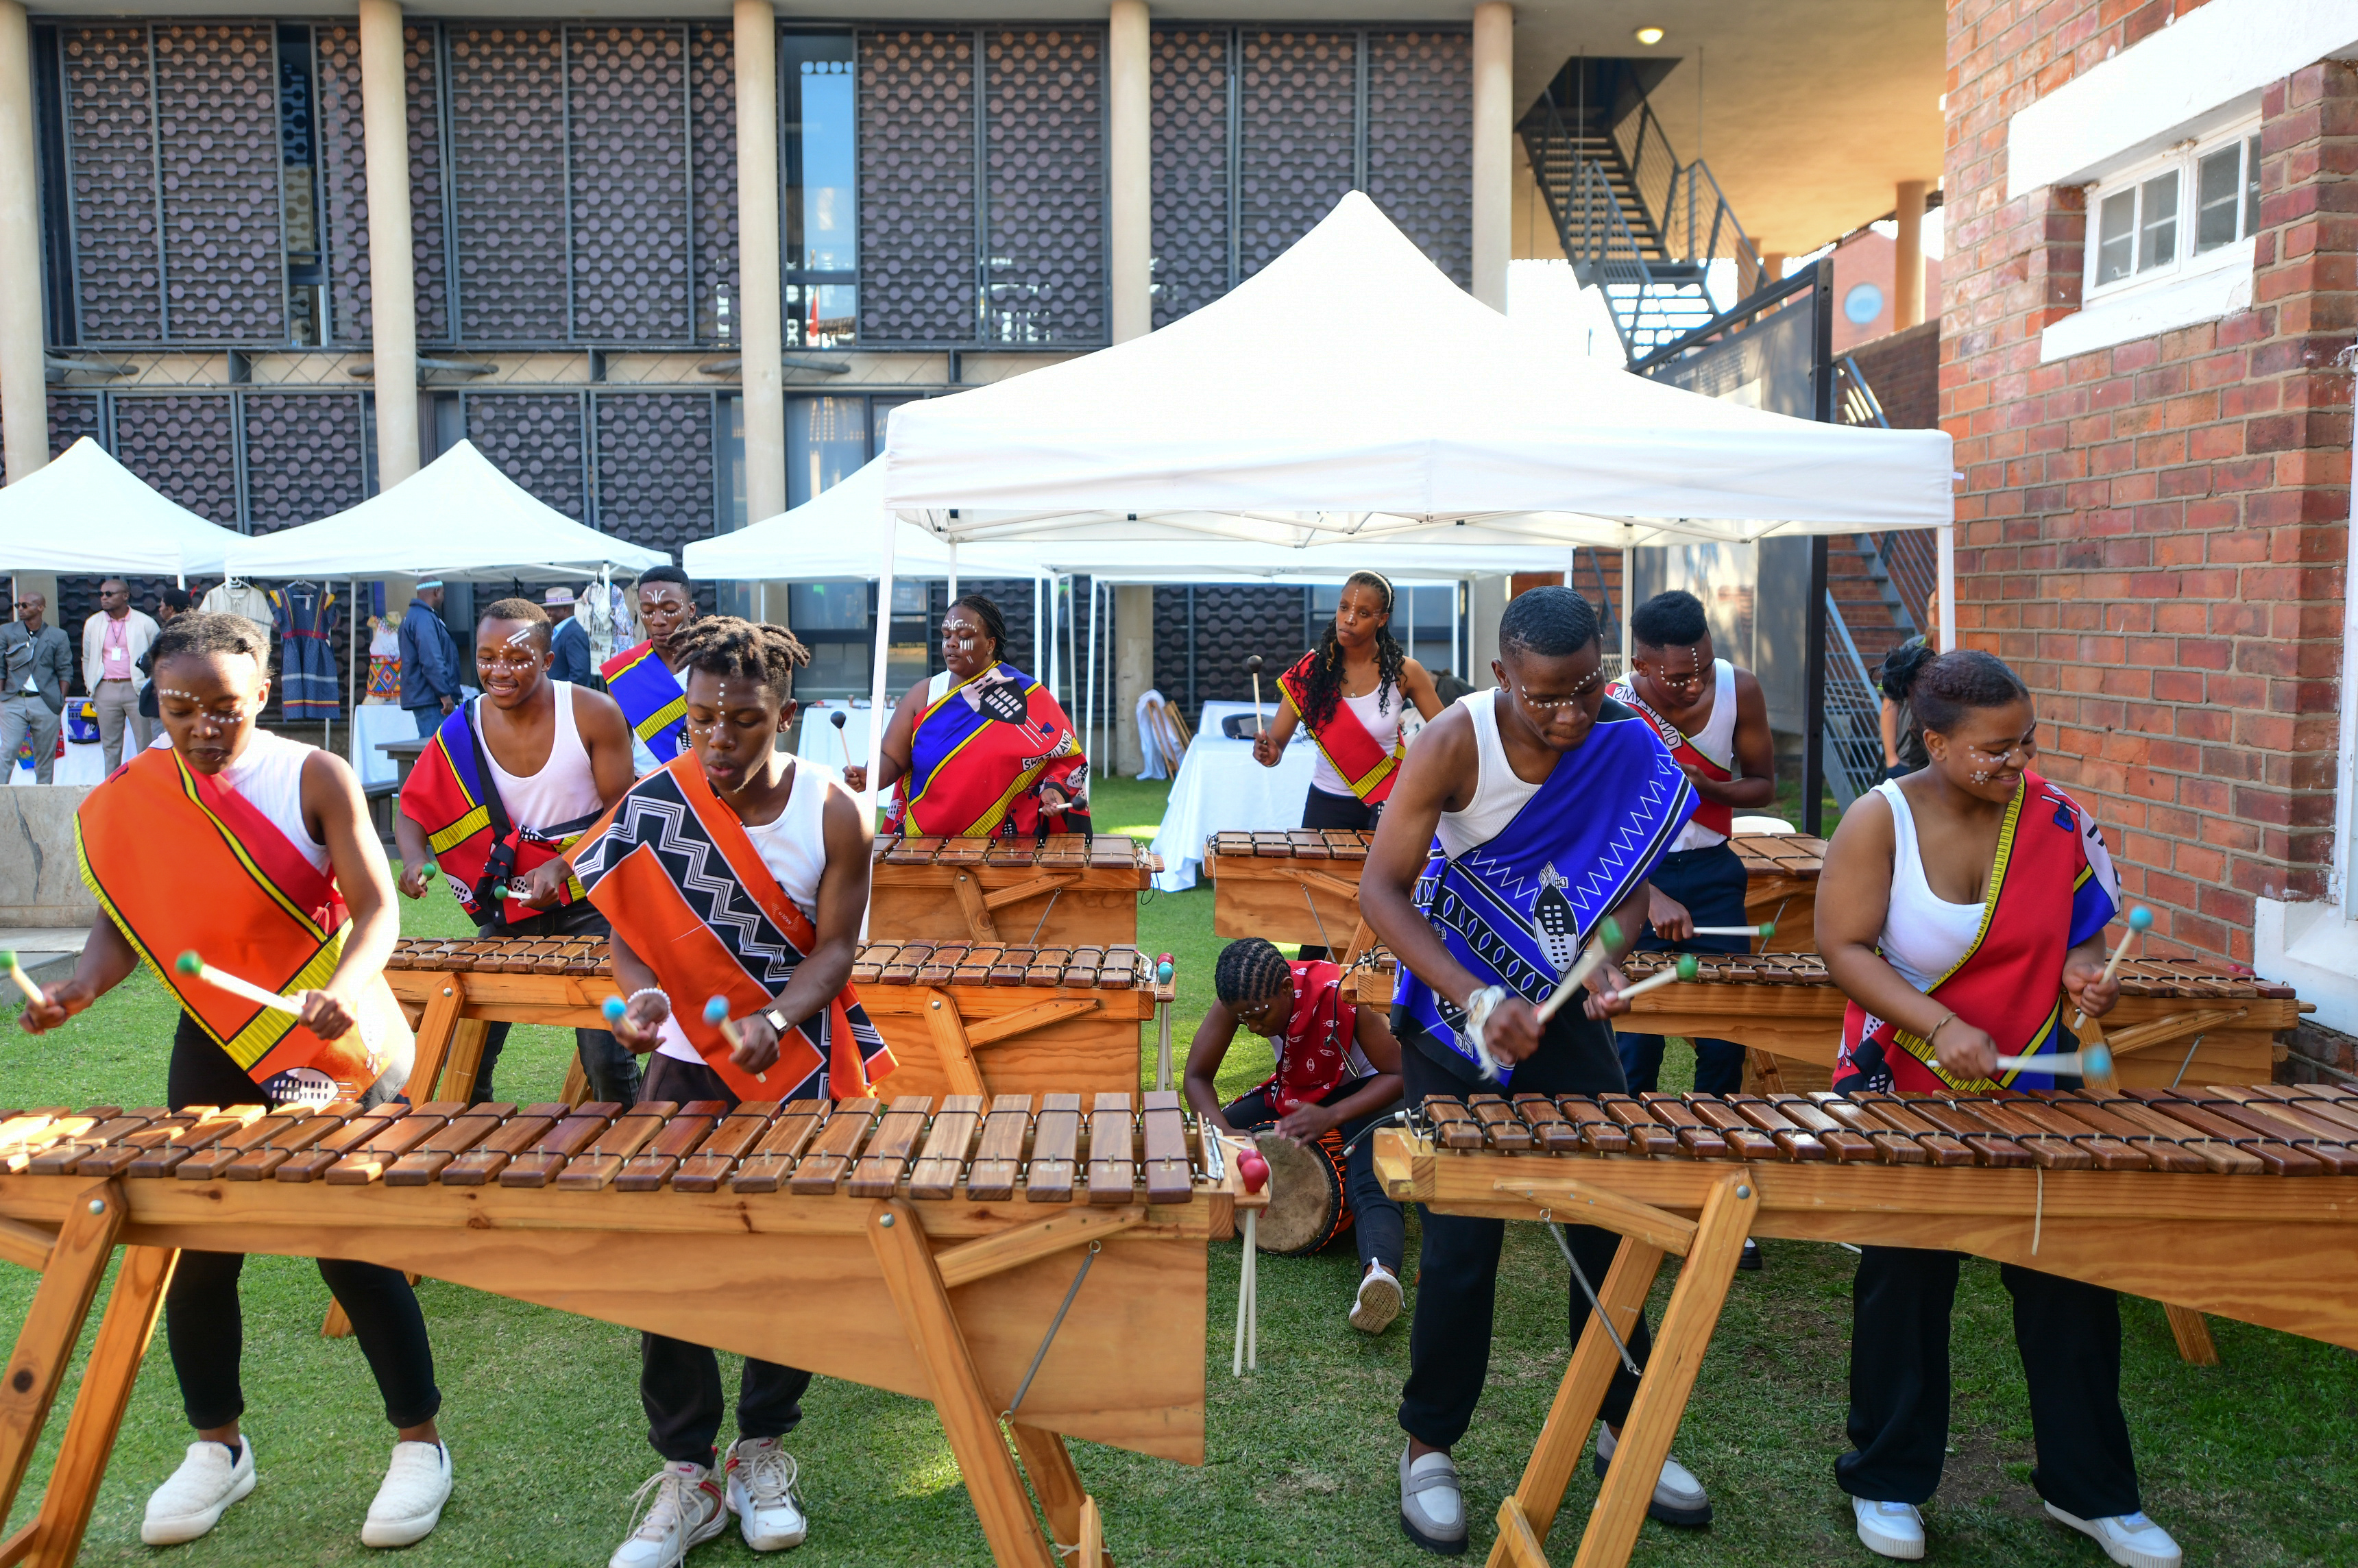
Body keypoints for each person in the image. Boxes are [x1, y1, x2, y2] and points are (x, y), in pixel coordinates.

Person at [17, 612, 452, 1549]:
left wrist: (340, 989)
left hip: (331, 1039)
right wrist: (77, 992)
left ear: (262, 694)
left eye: (225, 708)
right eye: (182, 709)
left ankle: (420, 1444)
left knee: (346, 1238)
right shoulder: (135, 795)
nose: (204, 727)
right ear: (156, 701)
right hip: (216, 1040)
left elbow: (376, 913)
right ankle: (218, 1447)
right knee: (197, 1247)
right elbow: (117, 928)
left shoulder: (315, 775)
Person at [1358, 587, 1712, 1554]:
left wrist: (1603, 958)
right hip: (1455, 1013)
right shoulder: (1452, 742)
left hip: (1558, 1014)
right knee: (1465, 1244)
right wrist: (1477, 998)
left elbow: (1629, 889)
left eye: (1588, 689)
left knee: (1609, 1221)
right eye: (1547, 697)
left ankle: (1618, 1426)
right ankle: (1429, 1445)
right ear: (1502, 675)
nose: (1572, 715)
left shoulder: (1626, 741)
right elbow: (1383, 890)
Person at [1817, 649, 2178, 1568]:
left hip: (2031, 1085)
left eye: (2026, 743)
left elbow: (2081, 936)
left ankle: (2090, 1491)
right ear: (1934, 741)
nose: (2017, 763)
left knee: (2069, 1282)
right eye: (1994, 749)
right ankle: (1889, 1478)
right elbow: (1845, 947)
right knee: (1905, 1282)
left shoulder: (2057, 818)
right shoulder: (1880, 819)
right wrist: (1938, 1025)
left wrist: (2086, 978)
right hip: (1905, 1080)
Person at [568, 615, 894, 1567]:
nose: (717, 739)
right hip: (682, 1063)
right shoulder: (653, 805)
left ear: (783, 715)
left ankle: (761, 1449)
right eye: (701, 719)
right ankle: (686, 1473)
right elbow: (625, 926)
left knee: (786, 1254)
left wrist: (779, 1020)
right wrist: (634, 998)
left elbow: (837, 950)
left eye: (743, 721)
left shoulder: (837, 811)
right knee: (670, 1253)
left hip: (795, 1061)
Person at [395, 598, 642, 1106]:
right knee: (469, 1040)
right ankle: (469, 1140)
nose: (498, 671)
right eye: (487, 658)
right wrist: (415, 859)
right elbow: (412, 810)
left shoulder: (593, 714)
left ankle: (637, 1155)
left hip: (594, 904)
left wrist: (564, 863)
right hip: (510, 909)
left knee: (605, 1056)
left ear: (548, 661)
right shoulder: (462, 727)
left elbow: (625, 814)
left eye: (516, 659)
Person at [1603, 590, 1777, 1107]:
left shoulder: (1739, 688)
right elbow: (1598, 822)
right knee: (1637, 1036)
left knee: (1726, 1028)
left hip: (1714, 872)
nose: (1696, 683)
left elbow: (1764, 784)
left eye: (1703, 666)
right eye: (1678, 677)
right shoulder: (1612, 706)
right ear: (1641, 664)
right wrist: (1649, 895)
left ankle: (1711, 1137)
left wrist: (1712, 789)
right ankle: (1631, 1142)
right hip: (1637, 876)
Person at [1182, 937, 1409, 1334]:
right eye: (1242, 1020)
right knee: (1204, 1131)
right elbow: (1197, 1078)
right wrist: (1227, 1133)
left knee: (1368, 1174)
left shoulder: (1342, 995)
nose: (1252, 1027)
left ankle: (1380, 1276)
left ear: (1288, 989)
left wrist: (1333, 1114)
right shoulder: (1242, 994)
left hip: (1364, 1088)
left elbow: (1400, 1074)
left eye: (1259, 1016)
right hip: (1297, 1084)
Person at [1252, 570, 1447, 957]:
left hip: (1388, 805)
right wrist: (1268, 752)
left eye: (1362, 611)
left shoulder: (1405, 672)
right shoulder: (1311, 674)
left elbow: (1447, 736)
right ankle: (1312, 989)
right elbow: (1275, 748)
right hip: (1326, 803)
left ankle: (1378, 991)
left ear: (1382, 619)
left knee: (1384, 905)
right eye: (1343, 608)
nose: (1349, 618)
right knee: (1317, 916)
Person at [844, 593, 1091, 838]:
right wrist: (871, 775)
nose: (951, 643)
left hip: (1007, 846)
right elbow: (892, 757)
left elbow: (1065, 753)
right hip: (926, 843)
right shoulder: (924, 694)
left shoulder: (1025, 695)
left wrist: (1056, 788)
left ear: (991, 644)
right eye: (946, 636)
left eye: (963, 637)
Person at [600, 565, 701, 774]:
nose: (657, 620)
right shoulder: (623, 672)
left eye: (670, 610)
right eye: (647, 611)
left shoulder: (714, 662)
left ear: (690, 610)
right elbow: (617, 747)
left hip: (706, 784)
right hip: (645, 787)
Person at [82, 576, 160, 770]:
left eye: (109, 594)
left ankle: (146, 788)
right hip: (105, 688)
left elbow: (159, 656)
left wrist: (152, 686)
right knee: (110, 746)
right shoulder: (93, 623)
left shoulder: (145, 622)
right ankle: (111, 791)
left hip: (137, 688)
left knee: (146, 744)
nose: (103, 598)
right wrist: (91, 686)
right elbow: (87, 658)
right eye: (101, 594)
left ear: (125, 596)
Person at [3, 590, 73, 784]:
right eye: (18, 605)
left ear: (40, 607)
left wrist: (61, 699)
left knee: (45, 756)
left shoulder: (58, 635)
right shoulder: (7, 631)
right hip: (13, 700)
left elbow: (65, 669)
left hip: (45, 701)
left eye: (25, 605)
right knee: (7, 752)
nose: (20, 609)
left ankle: (43, 801)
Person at [1880, 589, 1941, 779]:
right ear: (1927, 613)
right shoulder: (1911, 650)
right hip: (1906, 761)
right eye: (1933, 609)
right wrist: (1891, 758)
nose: (1937, 615)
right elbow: (1890, 703)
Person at [399, 581, 462, 738]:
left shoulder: (414, 616)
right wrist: (444, 693)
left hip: (426, 697)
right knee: (439, 751)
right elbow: (431, 659)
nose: (443, 598)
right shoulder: (424, 619)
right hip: (433, 699)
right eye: (443, 594)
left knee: (434, 749)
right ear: (436, 591)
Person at [136, 587, 195, 726]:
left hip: (169, 695)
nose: (159, 609)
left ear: (171, 608)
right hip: (192, 694)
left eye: (162, 605)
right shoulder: (198, 629)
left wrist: (141, 661)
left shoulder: (170, 631)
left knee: (164, 743)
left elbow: (149, 662)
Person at [546, 585, 595, 685]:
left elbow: (580, 674)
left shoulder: (573, 633)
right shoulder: (565, 631)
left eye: (551, 609)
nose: (548, 613)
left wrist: (567, 697)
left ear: (565, 609)